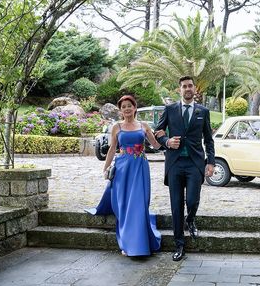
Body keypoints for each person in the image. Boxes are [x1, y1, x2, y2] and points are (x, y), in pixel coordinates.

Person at [86, 93, 162, 257]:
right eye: (123, 107)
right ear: (120, 111)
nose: (127, 109)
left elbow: (155, 146)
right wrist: (105, 169)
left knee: (139, 203)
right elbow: (112, 149)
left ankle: (140, 243)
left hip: (140, 167)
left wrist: (162, 137)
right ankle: (128, 242)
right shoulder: (117, 127)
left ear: (135, 108)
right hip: (122, 168)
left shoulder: (144, 125)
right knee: (124, 205)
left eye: (130, 106)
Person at [155, 76, 215, 261]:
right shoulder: (170, 109)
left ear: (194, 89)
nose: (187, 89)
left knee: (192, 200)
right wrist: (167, 141)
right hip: (174, 164)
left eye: (190, 86)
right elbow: (158, 132)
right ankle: (179, 245)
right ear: (179, 89)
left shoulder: (203, 111)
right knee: (176, 205)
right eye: (184, 86)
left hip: (195, 163)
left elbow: (208, 139)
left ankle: (191, 219)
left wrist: (210, 162)